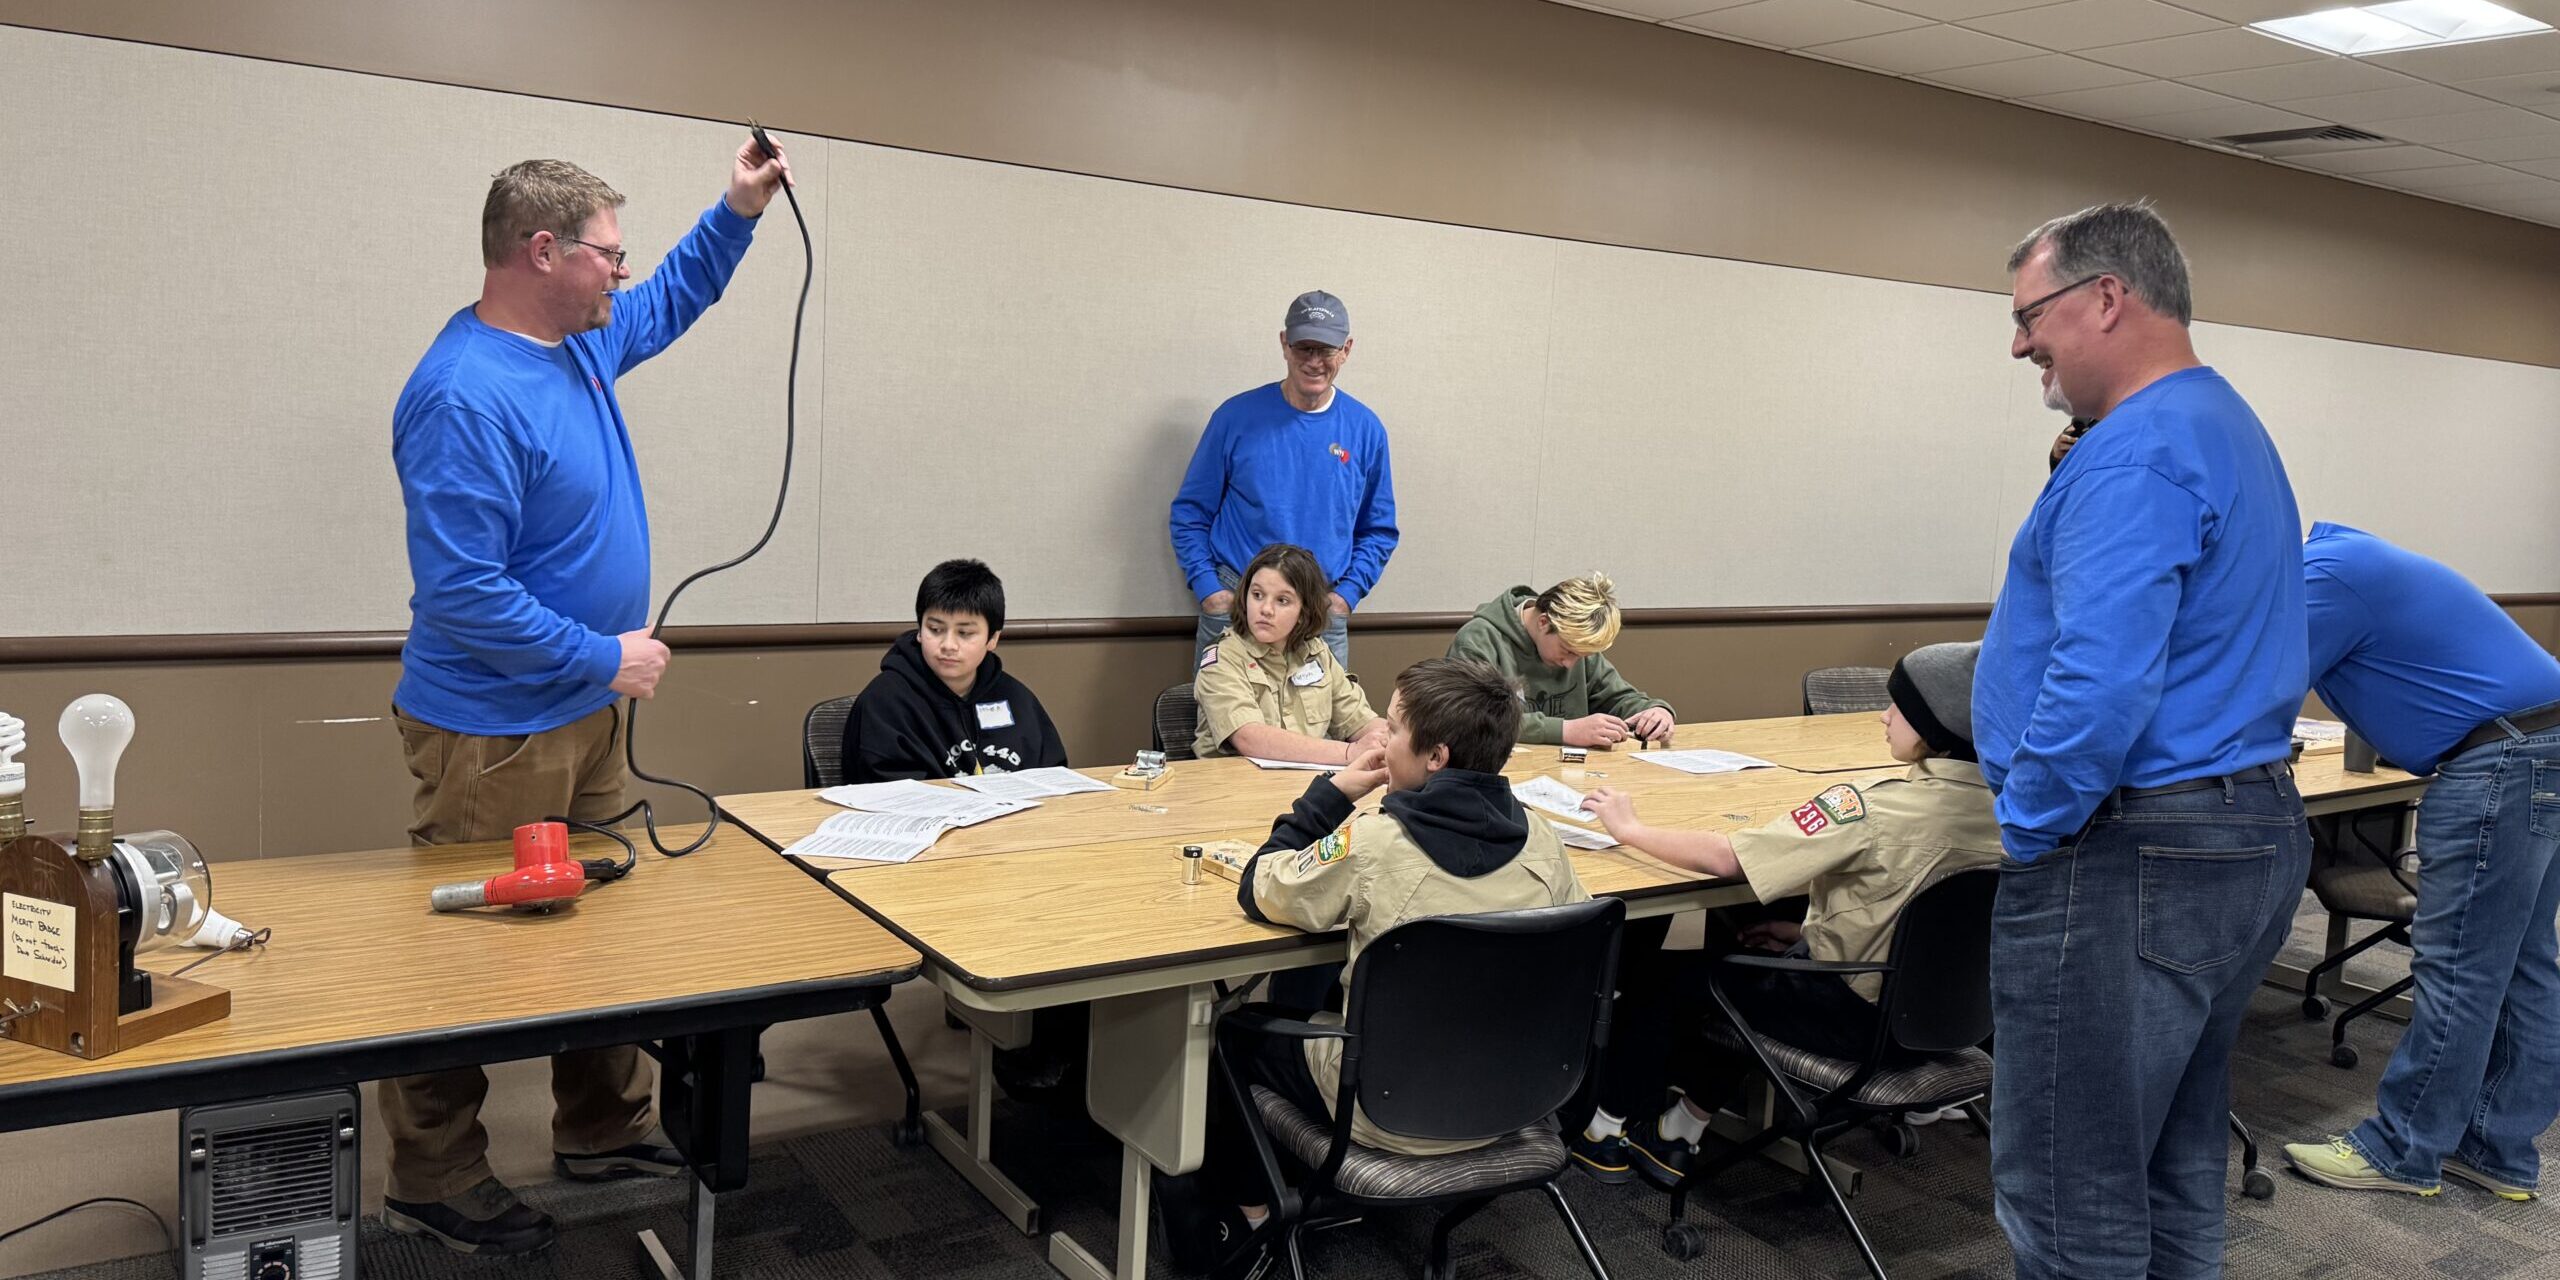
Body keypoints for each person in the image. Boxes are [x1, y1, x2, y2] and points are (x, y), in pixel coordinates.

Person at [386, 137, 791, 1255]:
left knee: (604, 915)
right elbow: (461, 594)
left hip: (581, 709)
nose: (625, 273)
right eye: (608, 254)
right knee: (471, 951)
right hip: (492, 728)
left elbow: (672, 296)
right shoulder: (465, 393)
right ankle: (434, 1175)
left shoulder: (578, 343)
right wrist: (602, 657)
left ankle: (604, 1125)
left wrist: (738, 211)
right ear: (542, 249)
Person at [1977, 202, 2311, 1279]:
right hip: (2236, 830)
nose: (2019, 340)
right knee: (2167, 1158)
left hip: (2134, 847)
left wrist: (2028, 827)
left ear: (2107, 297)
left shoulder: (2134, 452)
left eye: (2030, 313)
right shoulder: (2219, 421)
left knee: (2072, 1189)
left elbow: (2099, 677)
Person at [1173, 657, 1591, 1275]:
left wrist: (1329, 794)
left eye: (1393, 730)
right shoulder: (1543, 841)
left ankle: (1252, 1221)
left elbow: (1262, 887)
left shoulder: (1374, 842)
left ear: (1436, 757)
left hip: (1389, 1111)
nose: (1381, 739)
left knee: (1230, 1038)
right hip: (1519, 1096)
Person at [1566, 643, 1999, 1188]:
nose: (1885, 717)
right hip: (1949, 1021)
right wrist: (1810, 930)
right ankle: (1682, 1128)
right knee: (1750, 960)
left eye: (1899, 708)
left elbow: (1731, 857)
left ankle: (1605, 1131)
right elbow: (1930, 915)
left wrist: (1629, 829)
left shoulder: (1873, 808)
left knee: (1674, 973)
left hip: (1851, 1020)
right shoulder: (2012, 811)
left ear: (1935, 726)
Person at [2279, 523, 2560, 1201]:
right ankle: (2496, 1148)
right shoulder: (2350, 559)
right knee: (2523, 962)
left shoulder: (2320, 576)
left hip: (2500, 759)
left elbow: (2254, 691)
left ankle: (2403, 1149)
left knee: (2461, 964)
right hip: (2536, 745)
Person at [1169, 290, 1398, 669]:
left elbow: (1379, 529)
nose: (1314, 361)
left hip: (1320, 614)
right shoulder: (1235, 417)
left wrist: (1345, 596)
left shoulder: (1366, 430)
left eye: (1325, 350)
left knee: (1320, 728)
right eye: (1303, 347)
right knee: (1222, 727)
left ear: (1346, 350)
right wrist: (1210, 590)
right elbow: (1190, 513)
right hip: (1238, 603)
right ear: (1284, 344)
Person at [843, 559, 1067, 782]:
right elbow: (885, 790)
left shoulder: (1016, 698)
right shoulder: (886, 700)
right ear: (920, 630)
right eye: (936, 629)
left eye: (965, 633)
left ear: (992, 638)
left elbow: (1052, 776)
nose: (948, 645)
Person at [1193, 543, 1388, 763]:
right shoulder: (1222, 656)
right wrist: (1349, 753)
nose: (1265, 609)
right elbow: (1249, 738)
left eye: (1282, 600)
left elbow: (1358, 720)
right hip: (1237, 788)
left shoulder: (1317, 653)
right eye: (1257, 595)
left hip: (1301, 785)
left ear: (1304, 612)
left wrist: (1392, 740)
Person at [1445, 574, 1675, 748]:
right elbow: (1470, 720)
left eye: (1581, 655)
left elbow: (1619, 697)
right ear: (1544, 622)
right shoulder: (1478, 639)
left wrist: (1655, 712)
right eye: (1567, 651)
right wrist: (1565, 731)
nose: (1570, 664)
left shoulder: (1575, 644)